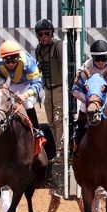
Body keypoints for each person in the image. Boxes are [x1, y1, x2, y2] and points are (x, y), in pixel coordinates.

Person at [0, 39, 44, 136]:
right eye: (7, 61)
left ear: (18, 57)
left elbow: (37, 82)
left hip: (25, 84)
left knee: (27, 103)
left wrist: (25, 95)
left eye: (13, 60)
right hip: (7, 83)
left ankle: (37, 128)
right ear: (3, 59)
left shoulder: (28, 62)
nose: (11, 64)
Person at [33, 19, 64, 149]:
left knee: (59, 119)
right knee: (50, 121)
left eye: (47, 33)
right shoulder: (38, 49)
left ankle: (61, 150)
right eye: (41, 34)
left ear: (52, 33)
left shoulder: (58, 46)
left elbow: (65, 66)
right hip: (47, 89)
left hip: (60, 88)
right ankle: (58, 148)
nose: (44, 36)